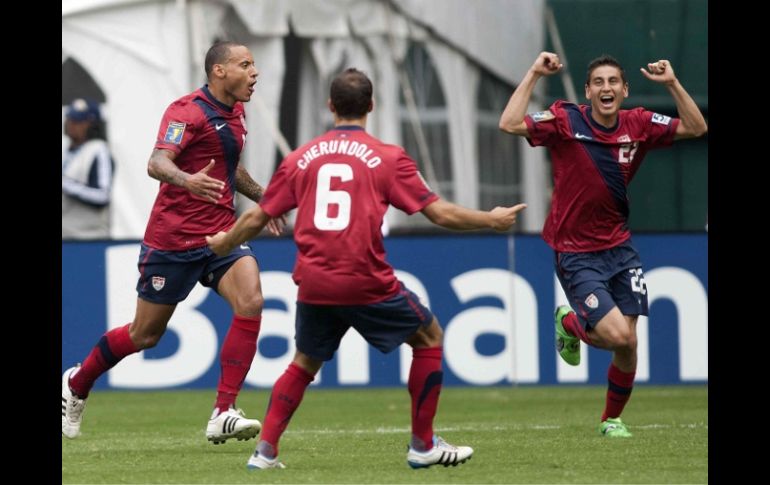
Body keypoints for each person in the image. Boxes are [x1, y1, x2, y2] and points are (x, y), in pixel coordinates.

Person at [207, 68, 528, 469]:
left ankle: (265, 452)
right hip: (363, 278)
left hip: (313, 281)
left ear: (330, 107)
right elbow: (440, 213)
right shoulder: (388, 157)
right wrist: (490, 220)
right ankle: (423, 445)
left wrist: (224, 242)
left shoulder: (300, 158)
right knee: (429, 337)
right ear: (371, 107)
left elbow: (258, 217)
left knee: (304, 363)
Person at [62, 41, 285, 444]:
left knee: (251, 300)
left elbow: (230, 166)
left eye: (254, 65)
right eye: (245, 65)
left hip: (220, 235)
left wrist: (265, 197)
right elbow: (157, 161)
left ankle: (223, 412)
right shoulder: (186, 112)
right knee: (145, 335)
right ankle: (77, 381)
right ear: (219, 71)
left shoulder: (236, 112)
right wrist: (186, 179)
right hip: (173, 239)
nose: (255, 73)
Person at [498, 52, 707, 437]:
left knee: (628, 345)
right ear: (588, 91)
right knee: (617, 336)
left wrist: (673, 84)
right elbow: (509, 123)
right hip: (575, 250)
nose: (606, 88)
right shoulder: (565, 120)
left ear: (624, 90)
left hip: (619, 247)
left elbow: (696, 127)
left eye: (613, 82)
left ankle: (611, 420)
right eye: (598, 82)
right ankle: (570, 322)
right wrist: (532, 72)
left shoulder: (639, 123)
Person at [62, 98, 115, 239]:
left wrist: (68, 185)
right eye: (70, 119)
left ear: (92, 125)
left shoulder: (98, 150)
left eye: (79, 121)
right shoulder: (66, 150)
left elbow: (103, 195)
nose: (71, 125)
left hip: (89, 238)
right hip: (66, 238)